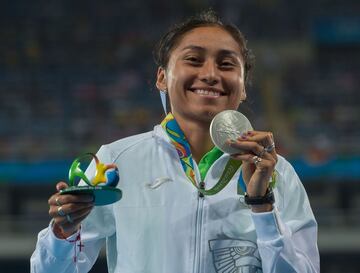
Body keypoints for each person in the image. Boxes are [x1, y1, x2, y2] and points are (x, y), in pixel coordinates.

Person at [30, 10, 320, 273]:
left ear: (243, 86)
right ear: (161, 78)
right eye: (193, 60)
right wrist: (63, 235)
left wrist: (262, 205)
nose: (209, 74)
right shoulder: (116, 161)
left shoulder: (279, 175)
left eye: (227, 64)